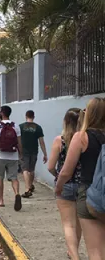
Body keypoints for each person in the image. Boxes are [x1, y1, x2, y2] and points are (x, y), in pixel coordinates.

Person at [55, 98, 105, 260]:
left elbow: (66, 172)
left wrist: (59, 187)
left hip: (90, 194)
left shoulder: (82, 137)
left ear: (89, 114)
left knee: (95, 251)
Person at [48, 108, 82, 260]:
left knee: (68, 224)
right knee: (80, 223)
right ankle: (73, 251)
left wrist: (58, 177)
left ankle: (74, 256)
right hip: (83, 185)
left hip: (65, 185)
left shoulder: (59, 140)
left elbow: (50, 166)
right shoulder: (85, 139)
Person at [19, 110, 48, 198]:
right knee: (31, 170)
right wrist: (45, 154)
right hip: (34, 151)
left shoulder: (20, 127)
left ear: (25, 116)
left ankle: (27, 189)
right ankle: (30, 185)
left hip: (24, 151)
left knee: (25, 170)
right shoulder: (38, 127)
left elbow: (18, 140)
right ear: (33, 117)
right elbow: (41, 142)